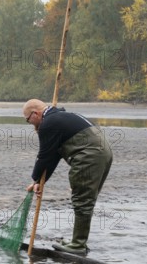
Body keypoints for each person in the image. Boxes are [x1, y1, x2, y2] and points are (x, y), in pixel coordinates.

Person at [24, 99, 113, 255]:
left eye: (28, 119)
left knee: (82, 200)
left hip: (88, 157)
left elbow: (44, 156)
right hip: (102, 154)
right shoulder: (61, 117)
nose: (29, 123)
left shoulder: (48, 124)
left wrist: (34, 178)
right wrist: (39, 181)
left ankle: (78, 245)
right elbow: (53, 156)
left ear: (35, 113)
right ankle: (77, 241)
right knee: (85, 200)